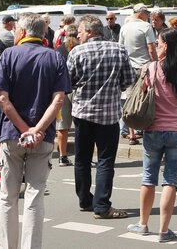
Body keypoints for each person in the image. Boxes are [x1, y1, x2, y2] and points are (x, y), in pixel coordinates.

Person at [0, 12, 70, 249]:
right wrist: (37, 130)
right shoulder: (55, 58)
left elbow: (2, 99)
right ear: (43, 33)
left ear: (23, 32)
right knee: (35, 198)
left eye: (17, 30)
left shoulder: (8, 55)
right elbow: (58, 100)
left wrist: (24, 129)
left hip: (12, 135)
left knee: (8, 197)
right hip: (43, 137)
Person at [127, 29, 177, 242]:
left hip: (153, 128)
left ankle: (143, 224)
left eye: (158, 42)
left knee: (149, 177)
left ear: (166, 45)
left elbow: (143, 95)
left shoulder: (151, 68)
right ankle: (164, 231)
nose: (156, 46)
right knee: (170, 180)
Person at [68, 15, 136, 219]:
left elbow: (67, 82)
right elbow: (129, 80)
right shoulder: (118, 49)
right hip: (108, 115)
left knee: (82, 159)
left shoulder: (76, 52)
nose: (78, 35)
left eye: (80, 31)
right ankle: (102, 204)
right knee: (105, 160)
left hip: (83, 113)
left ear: (89, 31)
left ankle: (84, 200)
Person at [119, 3, 158, 142]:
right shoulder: (146, 27)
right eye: (147, 14)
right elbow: (151, 48)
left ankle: (132, 134)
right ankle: (145, 129)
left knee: (130, 99)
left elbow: (121, 49)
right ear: (141, 13)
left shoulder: (124, 27)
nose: (148, 16)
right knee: (146, 98)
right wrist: (156, 63)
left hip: (129, 67)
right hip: (144, 67)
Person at [55, 24, 79, 167]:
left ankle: (62, 156)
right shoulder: (81, 48)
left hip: (62, 89)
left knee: (62, 126)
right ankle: (83, 156)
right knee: (81, 125)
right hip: (77, 89)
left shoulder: (58, 50)